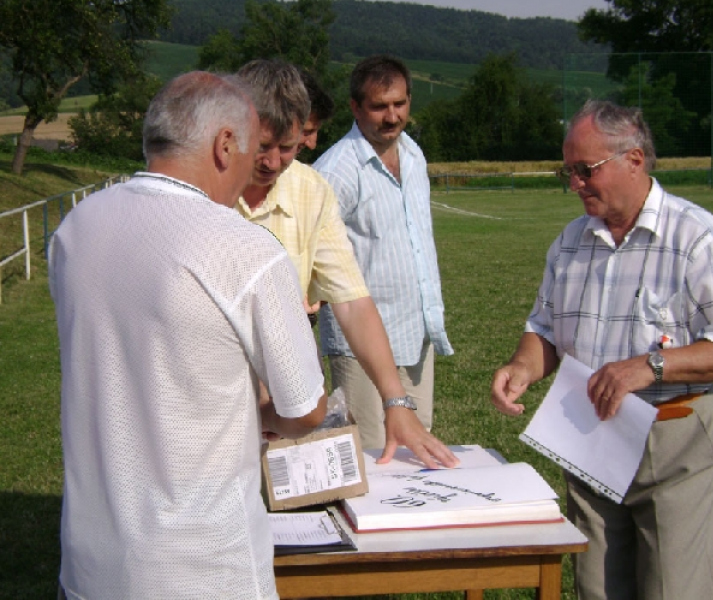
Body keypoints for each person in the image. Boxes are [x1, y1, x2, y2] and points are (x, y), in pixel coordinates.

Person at [50, 71, 327, 600]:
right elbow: (306, 409)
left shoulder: (75, 228)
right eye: (250, 154)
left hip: (88, 564)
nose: (253, 173)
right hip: (203, 569)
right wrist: (258, 412)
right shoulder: (245, 249)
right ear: (225, 145)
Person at [490, 100, 713, 600]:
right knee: (598, 590)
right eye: (567, 171)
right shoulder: (569, 243)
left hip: (674, 439)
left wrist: (651, 367)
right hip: (591, 439)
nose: (574, 184)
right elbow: (544, 329)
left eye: (585, 170)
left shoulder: (698, 238)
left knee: (678, 591)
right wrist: (523, 366)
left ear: (634, 159)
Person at [235, 58, 457, 468]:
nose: (273, 162)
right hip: (212, 400)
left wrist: (395, 401)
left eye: (288, 146)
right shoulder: (204, 190)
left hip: (287, 394)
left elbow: (352, 299)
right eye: (263, 146)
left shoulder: (310, 190)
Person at [314, 55, 454, 451]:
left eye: (399, 103)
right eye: (379, 106)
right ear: (355, 108)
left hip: (415, 335)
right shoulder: (336, 172)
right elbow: (313, 264)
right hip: (360, 346)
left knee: (415, 451)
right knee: (373, 456)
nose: (392, 116)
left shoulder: (413, 155)